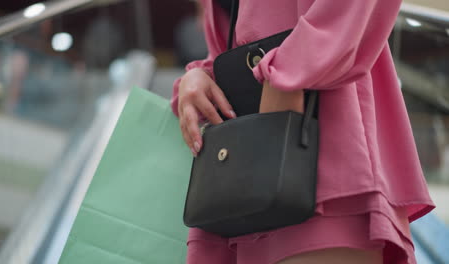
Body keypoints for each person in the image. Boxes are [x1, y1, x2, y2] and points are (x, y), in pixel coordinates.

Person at [171, 0, 435, 263]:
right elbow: (240, 28)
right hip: (240, 173)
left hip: (322, 146)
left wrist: (289, 71)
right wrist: (202, 76)